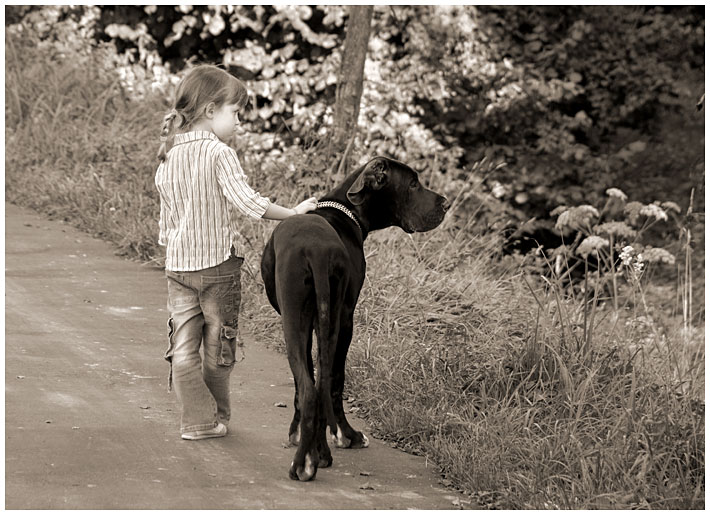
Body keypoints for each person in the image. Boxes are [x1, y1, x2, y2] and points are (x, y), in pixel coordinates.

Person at [155, 64, 317, 440]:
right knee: (219, 348)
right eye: (236, 112)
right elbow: (249, 203)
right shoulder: (218, 152)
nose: (240, 121)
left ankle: (197, 420)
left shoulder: (168, 152)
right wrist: (292, 213)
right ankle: (214, 418)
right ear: (211, 110)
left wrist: (174, 249)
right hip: (216, 269)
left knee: (182, 349)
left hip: (177, 267)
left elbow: (167, 218)